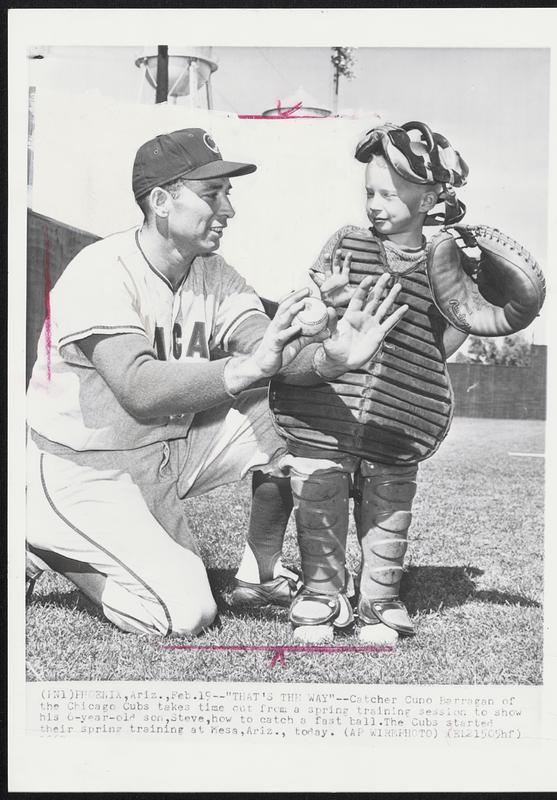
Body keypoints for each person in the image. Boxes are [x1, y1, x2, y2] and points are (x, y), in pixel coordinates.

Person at [25, 126, 408, 637]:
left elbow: (265, 349)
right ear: (161, 201)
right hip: (83, 468)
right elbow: (139, 390)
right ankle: (42, 543)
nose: (228, 208)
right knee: (185, 615)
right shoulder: (102, 270)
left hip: (167, 455)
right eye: (212, 194)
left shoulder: (212, 271)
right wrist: (252, 366)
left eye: (227, 193)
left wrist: (327, 359)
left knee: (285, 408)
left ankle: (260, 571)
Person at [239, 121, 472, 644]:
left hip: (399, 410)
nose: (376, 203)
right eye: (371, 191)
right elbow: (311, 318)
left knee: (389, 501)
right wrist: (333, 300)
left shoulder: (446, 263)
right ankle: (322, 593)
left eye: (389, 193)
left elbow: (441, 346)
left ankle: (380, 599)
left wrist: (469, 307)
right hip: (329, 406)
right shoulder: (347, 242)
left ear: (431, 195)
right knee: (319, 487)